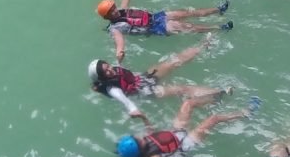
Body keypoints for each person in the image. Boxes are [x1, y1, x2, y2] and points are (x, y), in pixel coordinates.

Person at [88, 37, 229, 123]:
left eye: (108, 66)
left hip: (142, 78)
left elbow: (121, 68)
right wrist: (134, 111)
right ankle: (219, 94)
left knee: (173, 61)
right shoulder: (113, 90)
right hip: (146, 91)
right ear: (102, 78)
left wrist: (120, 52)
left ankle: (203, 46)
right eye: (106, 71)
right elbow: (126, 102)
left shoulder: (112, 70)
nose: (110, 70)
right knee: (180, 89)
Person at [114, 96, 259, 157]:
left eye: (135, 138)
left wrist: (143, 117)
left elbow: (152, 133)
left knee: (188, 103)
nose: (139, 137)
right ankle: (246, 113)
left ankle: (219, 96)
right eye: (137, 141)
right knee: (213, 119)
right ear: (139, 149)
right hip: (185, 144)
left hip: (175, 132)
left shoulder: (144, 142)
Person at [96, 0, 233, 62]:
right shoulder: (115, 29)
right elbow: (119, 42)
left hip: (155, 17)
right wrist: (120, 54)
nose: (115, 10)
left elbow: (126, 0)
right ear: (107, 17)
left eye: (113, 7)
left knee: (187, 13)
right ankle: (219, 28)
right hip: (155, 28)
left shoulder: (120, 11)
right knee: (186, 26)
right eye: (111, 11)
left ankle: (218, 9)